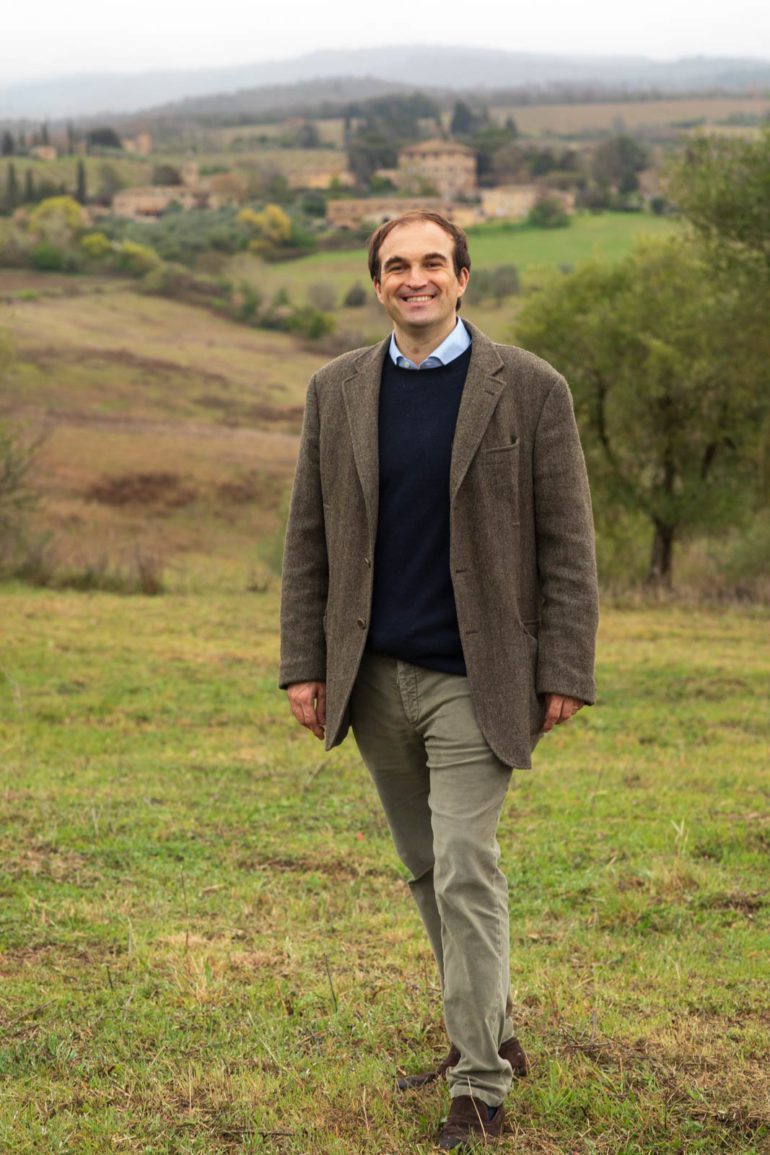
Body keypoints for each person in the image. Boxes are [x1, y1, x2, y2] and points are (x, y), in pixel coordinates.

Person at [280, 210, 598, 1149]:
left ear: (463, 277)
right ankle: (491, 1024)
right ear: (377, 284)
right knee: (426, 869)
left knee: (466, 865)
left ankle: (480, 1083)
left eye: (431, 263)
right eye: (395, 266)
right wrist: (303, 661)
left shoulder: (531, 388)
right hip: (373, 676)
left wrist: (567, 666)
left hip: (481, 676)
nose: (413, 279)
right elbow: (309, 539)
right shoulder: (336, 390)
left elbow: (568, 544)